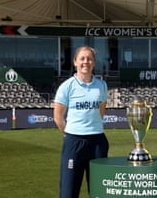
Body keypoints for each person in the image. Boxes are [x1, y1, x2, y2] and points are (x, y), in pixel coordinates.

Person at [53, 46, 109, 198]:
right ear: (75, 62)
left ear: (94, 63)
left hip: (97, 142)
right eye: (82, 58)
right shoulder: (67, 86)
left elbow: (101, 111)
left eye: (89, 58)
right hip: (74, 142)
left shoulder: (101, 85)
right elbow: (58, 116)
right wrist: (69, 134)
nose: (86, 62)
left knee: (99, 191)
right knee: (69, 191)